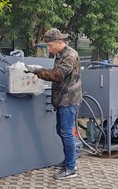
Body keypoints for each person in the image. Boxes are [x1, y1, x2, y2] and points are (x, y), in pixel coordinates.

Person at [25, 28, 82, 180]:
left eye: (50, 45)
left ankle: (70, 168)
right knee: (61, 130)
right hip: (62, 99)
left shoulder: (70, 55)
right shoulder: (60, 54)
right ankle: (69, 160)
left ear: (59, 42)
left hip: (68, 100)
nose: (48, 48)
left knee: (66, 132)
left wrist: (37, 71)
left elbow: (58, 75)